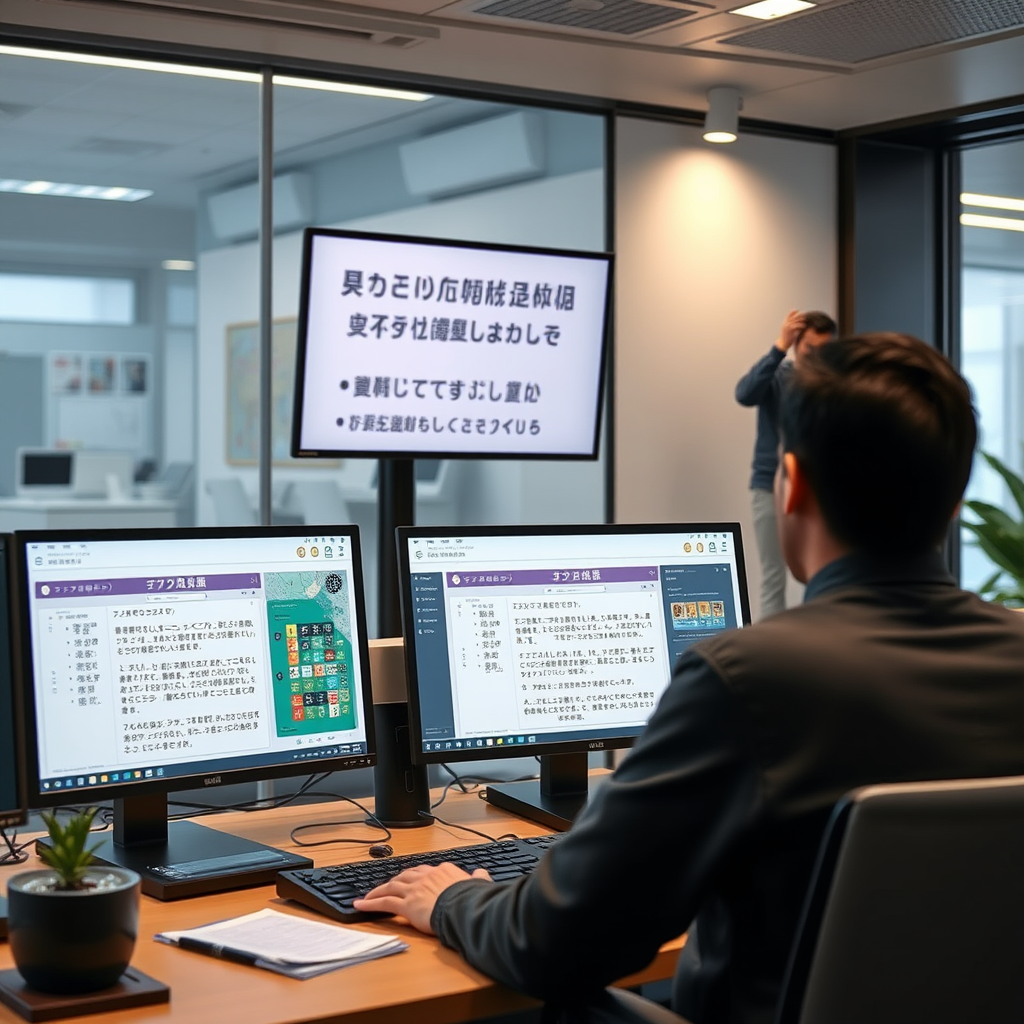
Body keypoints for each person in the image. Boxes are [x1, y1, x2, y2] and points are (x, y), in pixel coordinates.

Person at [354, 333, 1024, 1024]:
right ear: (952, 505)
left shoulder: (751, 680)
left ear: (791, 487)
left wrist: (450, 898)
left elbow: (553, 944)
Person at [735, 309, 836, 618]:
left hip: (817, 490)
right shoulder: (778, 377)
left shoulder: (834, 386)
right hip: (769, 486)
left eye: (825, 350)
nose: (817, 357)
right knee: (773, 576)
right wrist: (778, 347)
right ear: (796, 344)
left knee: (822, 573)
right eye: (809, 348)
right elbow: (745, 393)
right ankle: (771, 654)